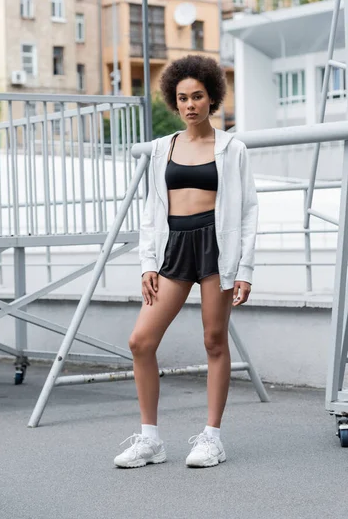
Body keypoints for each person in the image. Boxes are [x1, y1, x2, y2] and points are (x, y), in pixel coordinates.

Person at [114, 55, 258, 469]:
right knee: (140, 341)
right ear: (173, 102)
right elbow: (150, 211)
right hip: (173, 249)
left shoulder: (233, 149)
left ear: (212, 98)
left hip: (218, 249)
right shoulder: (163, 149)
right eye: (182, 98)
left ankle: (212, 438)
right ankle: (150, 441)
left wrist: (245, 269)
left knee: (214, 341)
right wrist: (147, 264)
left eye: (198, 96)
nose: (190, 104)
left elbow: (248, 210)